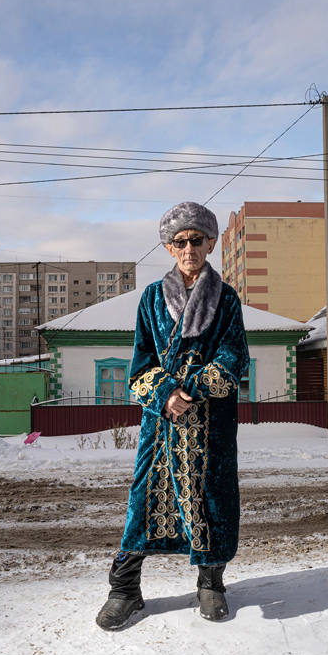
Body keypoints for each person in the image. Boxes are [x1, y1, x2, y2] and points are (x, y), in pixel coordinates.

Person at [95, 202, 250, 630]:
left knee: (212, 501)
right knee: (144, 502)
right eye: (179, 241)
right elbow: (139, 367)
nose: (188, 248)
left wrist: (194, 389)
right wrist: (165, 394)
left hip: (209, 426)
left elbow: (234, 358)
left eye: (196, 239)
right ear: (168, 247)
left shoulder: (228, 300)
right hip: (161, 424)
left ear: (211, 243)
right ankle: (124, 589)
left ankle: (211, 583)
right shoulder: (150, 299)